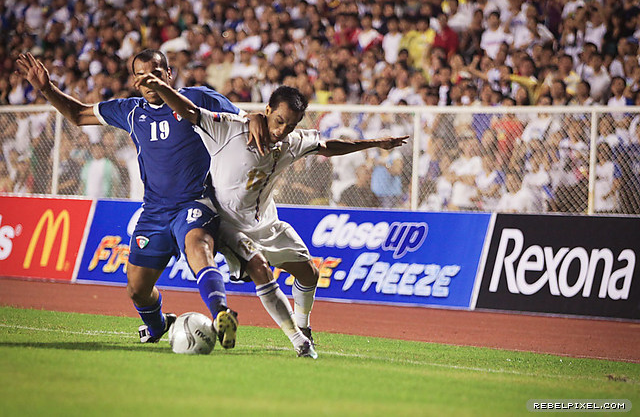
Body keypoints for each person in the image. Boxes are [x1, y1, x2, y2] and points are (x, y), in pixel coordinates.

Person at [132, 75, 407, 357]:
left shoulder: (290, 142)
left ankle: (304, 327)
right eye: (279, 121)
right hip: (226, 223)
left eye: (291, 125)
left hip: (267, 224)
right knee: (260, 268)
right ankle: (298, 342)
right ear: (267, 110)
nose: (282, 130)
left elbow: (328, 146)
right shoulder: (229, 129)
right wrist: (162, 88)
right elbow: (190, 111)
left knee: (309, 273)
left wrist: (376, 143)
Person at [15, 50, 268, 349]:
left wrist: (255, 118)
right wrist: (46, 88)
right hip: (154, 212)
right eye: (143, 76)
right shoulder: (130, 111)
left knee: (198, 246)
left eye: (156, 74)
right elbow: (78, 114)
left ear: (169, 74)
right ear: (136, 82)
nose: (150, 80)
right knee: (136, 289)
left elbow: (241, 117)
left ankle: (222, 315)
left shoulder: (198, 99)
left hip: (196, 202)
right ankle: (158, 325)